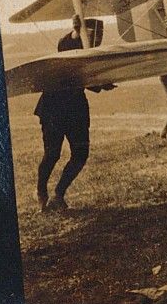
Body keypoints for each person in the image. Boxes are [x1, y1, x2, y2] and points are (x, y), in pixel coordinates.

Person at [34, 15, 115, 212]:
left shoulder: (92, 50)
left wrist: (103, 84)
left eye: (99, 36)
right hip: (54, 107)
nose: (98, 39)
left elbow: (87, 79)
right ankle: (41, 191)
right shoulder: (67, 42)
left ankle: (58, 195)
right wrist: (76, 32)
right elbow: (65, 48)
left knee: (81, 153)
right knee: (52, 154)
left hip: (76, 108)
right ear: (83, 31)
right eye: (94, 34)